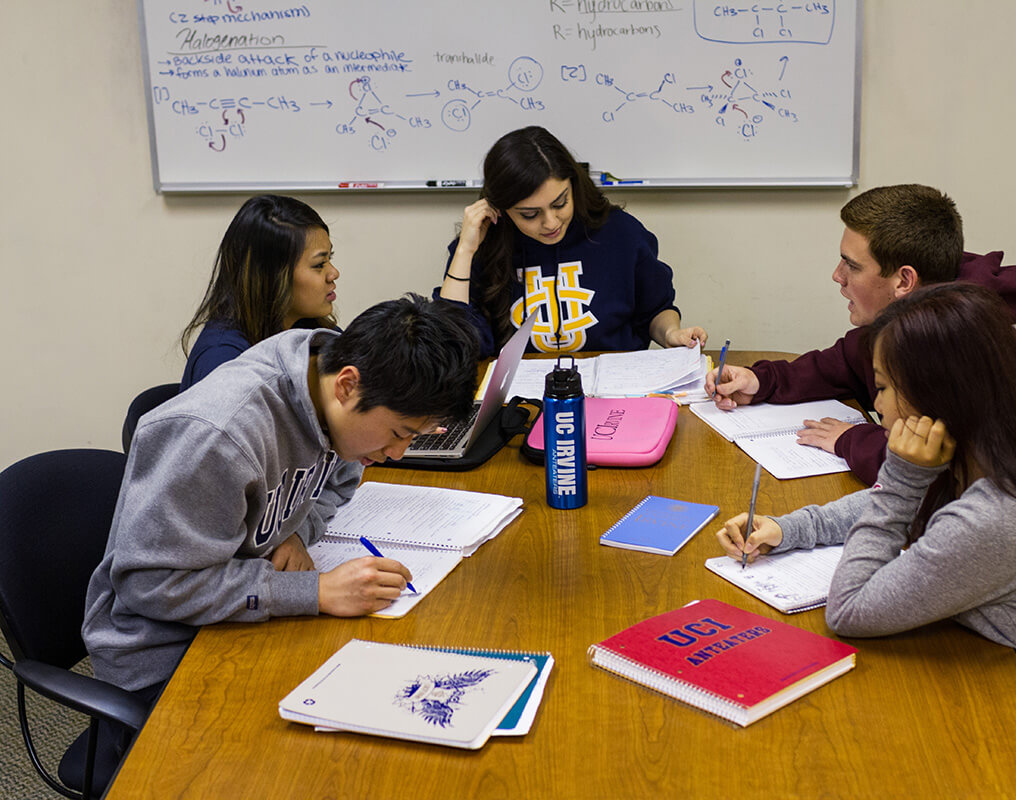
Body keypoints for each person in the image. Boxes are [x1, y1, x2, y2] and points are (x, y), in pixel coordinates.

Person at [715, 283, 1016, 768]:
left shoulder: (1000, 516)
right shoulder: (1006, 455)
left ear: (940, 396)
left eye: (885, 388)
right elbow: (903, 506)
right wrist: (789, 530)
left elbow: (849, 610)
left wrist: (903, 475)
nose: (880, 406)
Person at [82, 294, 479, 787]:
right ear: (349, 385)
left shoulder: (330, 382)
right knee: (316, 772)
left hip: (243, 611)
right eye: (398, 433)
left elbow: (339, 479)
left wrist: (294, 529)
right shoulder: (218, 435)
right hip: (165, 653)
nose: (398, 453)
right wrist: (314, 592)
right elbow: (151, 584)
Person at [705, 184, 1016, 484]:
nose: (837, 276)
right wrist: (759, 381)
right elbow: (838, 364)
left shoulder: (956, 345)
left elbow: (934, 472)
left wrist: (851, 439)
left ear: (904, 281)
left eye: (852, 266)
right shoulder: (908, 321)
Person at [434, 125, 707, 357]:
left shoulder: (621, 233)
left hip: (614, 395)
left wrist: (671, 333)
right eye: (530, 214)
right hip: (517, 405)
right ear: (501, 210)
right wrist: (465, 251)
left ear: (574, 186)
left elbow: (656, 310)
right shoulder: (484, 247)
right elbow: (453, 344)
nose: (550, 222)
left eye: (560, 203)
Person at [180, 194, 340, 390]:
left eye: (329, 257)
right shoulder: (222, 359)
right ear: (272, 277)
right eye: (319, 264)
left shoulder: (314, 333)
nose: (334, 273)